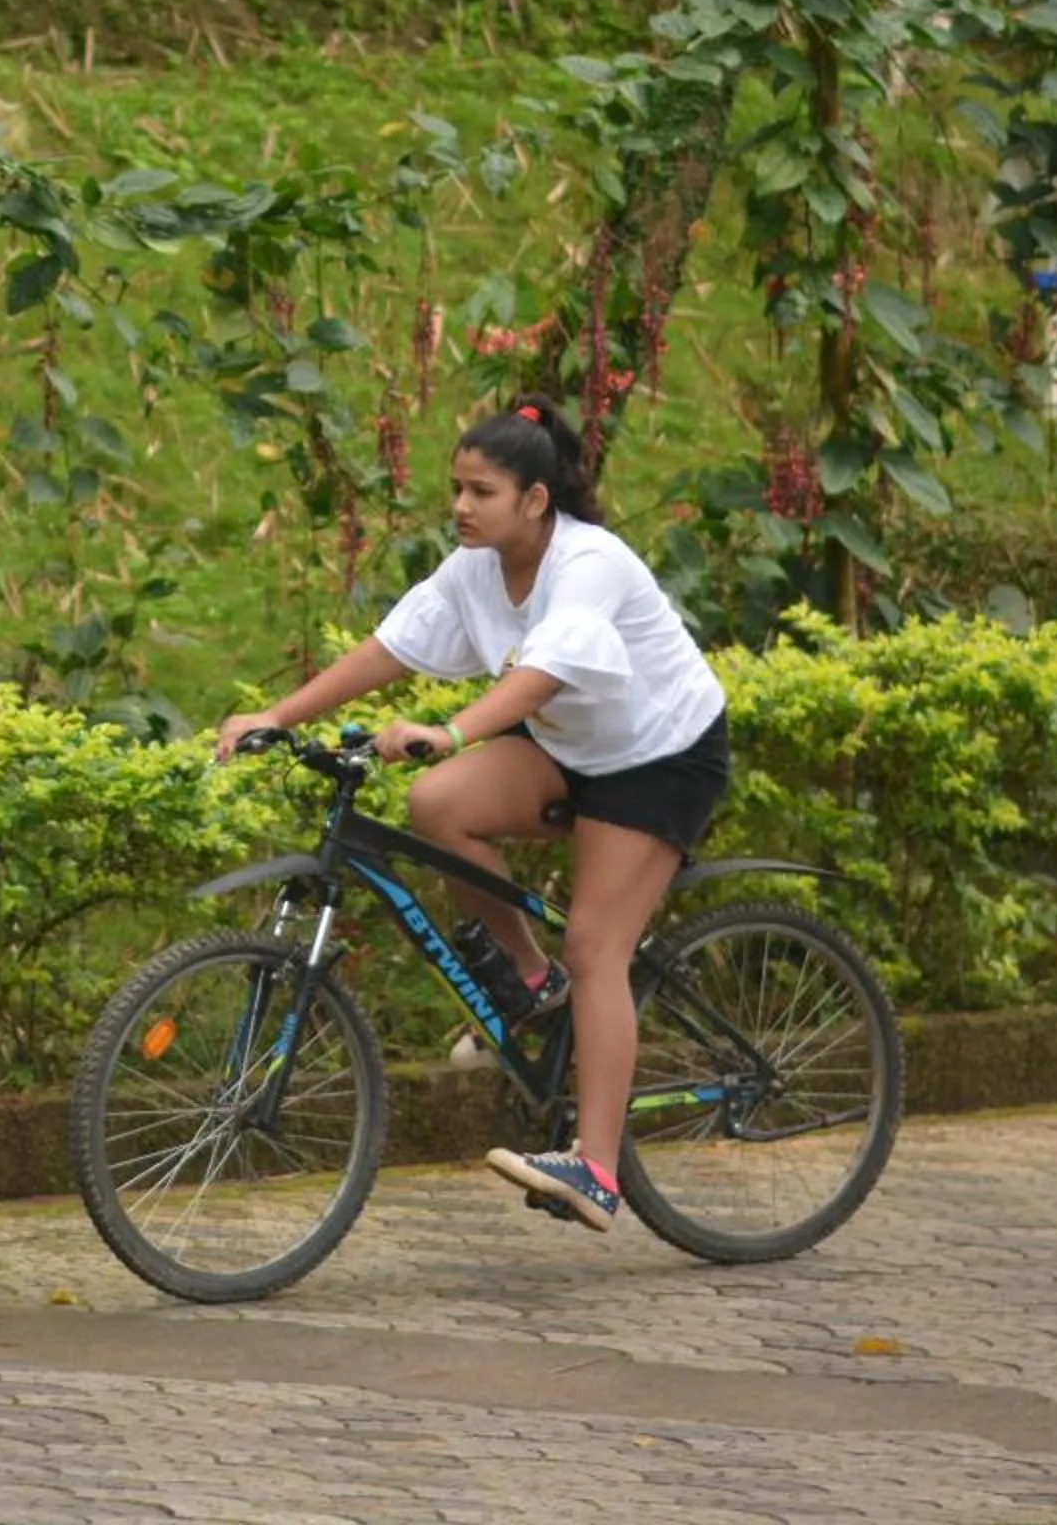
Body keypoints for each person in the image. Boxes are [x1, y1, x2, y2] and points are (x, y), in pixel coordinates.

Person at [215, 395, 728, 1232]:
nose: (461, 506)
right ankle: (533, 984)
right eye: (456, 488)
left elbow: (542, 677)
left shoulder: (588, 563)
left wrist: (450, 731)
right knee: (437, 803)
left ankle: (596, 1169)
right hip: (571, 744)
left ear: (535, 499)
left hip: (657, 756)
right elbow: (388, 650)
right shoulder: (473, 568)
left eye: (482, 491)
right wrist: (278, 714)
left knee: (596, 947)